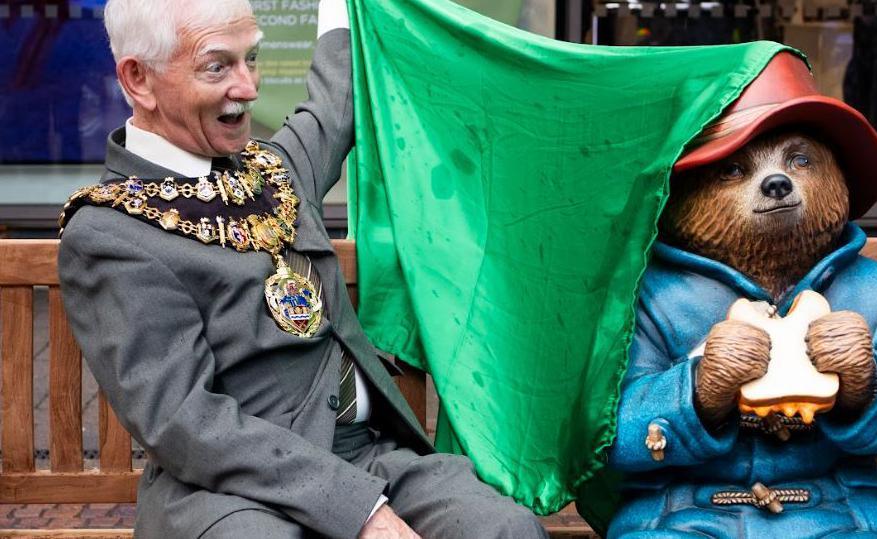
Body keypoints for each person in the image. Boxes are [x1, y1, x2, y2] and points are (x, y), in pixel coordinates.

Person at [57, 1, 548, 538]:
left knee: (503, 529)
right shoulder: (109, 232)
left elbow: (334, 104)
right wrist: (359, 511)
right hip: (230, 493)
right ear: (138, 79)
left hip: (368, 457)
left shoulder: (276, 169)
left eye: (253, 58)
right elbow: (185, 422)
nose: (247, 88)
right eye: (217, 66)